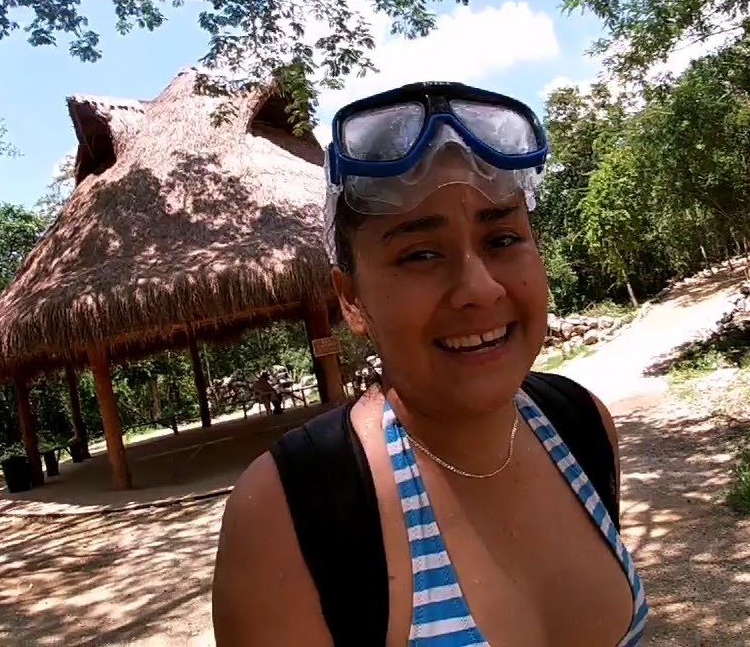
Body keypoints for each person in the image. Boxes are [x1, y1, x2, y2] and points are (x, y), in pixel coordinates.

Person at [212, 82, 647, 645]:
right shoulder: (287, 516)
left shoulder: (582, 424)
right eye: (420, 254)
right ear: (352, 301)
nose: (480, 288)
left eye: (502, 239)